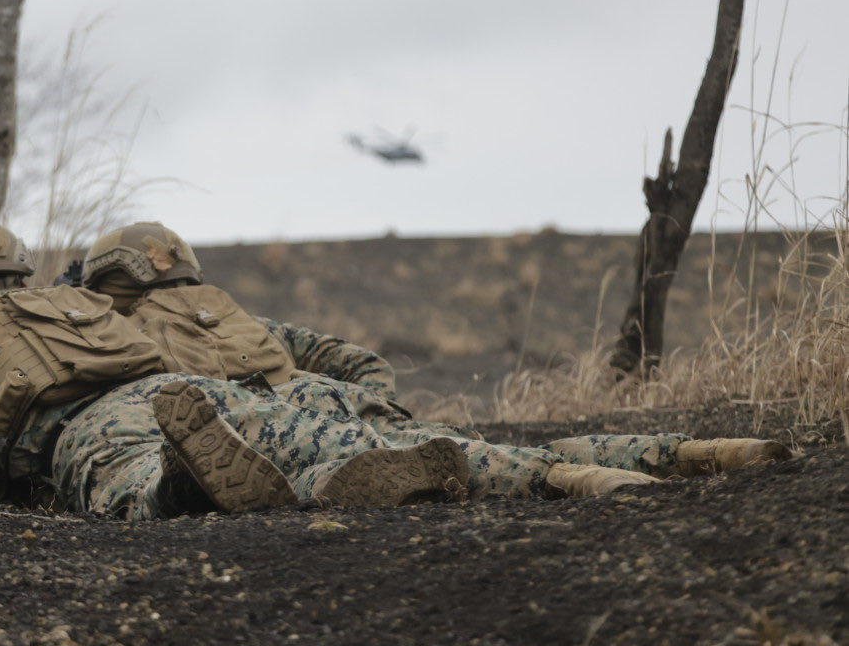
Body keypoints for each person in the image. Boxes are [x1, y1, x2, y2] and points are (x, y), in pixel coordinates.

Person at [78, 221, 793, 501]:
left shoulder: (108, 330)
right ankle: (681, 452)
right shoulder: (232, 315)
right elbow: (352, 359)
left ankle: (577, 481)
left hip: (257, 423)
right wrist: (374, 401)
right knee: (465, 444)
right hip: (326, 404)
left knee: (360, 466)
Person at [0, 217, 482, 521]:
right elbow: (360, 363)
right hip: (245, 397)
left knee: (136, 485)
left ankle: (178, 480)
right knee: (332, 448)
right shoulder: (220, 314)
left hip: (115, 426)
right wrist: (379, 407)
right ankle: (519, 466)